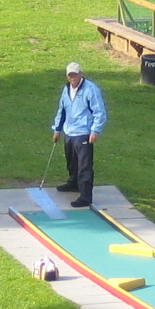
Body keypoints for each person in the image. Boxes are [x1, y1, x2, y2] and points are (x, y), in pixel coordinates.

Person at [51, 61, 107, 208]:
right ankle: (73, 183)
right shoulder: (66, 89)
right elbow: (61, 110)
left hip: (83, 132)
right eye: (70, 75)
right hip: (69, 131)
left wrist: (95, 130)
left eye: (75, 74)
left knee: (84, 166)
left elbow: (99, 111)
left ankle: (85, 196)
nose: (72, 77)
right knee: (72, 161)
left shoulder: (91, 89)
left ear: (80, 74)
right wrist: (57, 129)